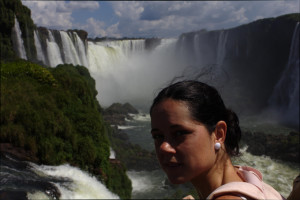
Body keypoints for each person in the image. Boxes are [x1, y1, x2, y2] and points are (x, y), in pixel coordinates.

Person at [150, 80, 285, 200]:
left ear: (219, 134)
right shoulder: (251, 181)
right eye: (158, 136)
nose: (163, 147)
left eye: (179, 133)